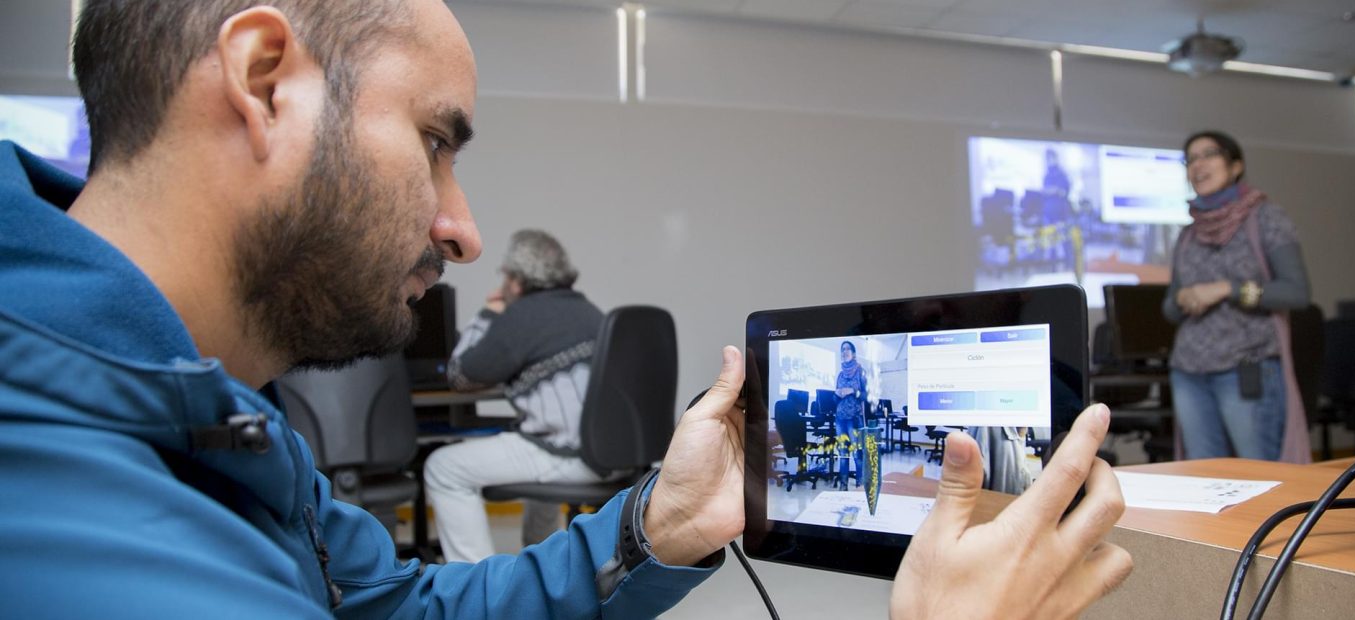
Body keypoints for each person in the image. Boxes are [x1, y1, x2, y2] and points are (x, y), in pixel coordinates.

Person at [0, 1, 1131, 617]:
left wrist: (653, 529)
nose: (461, 227)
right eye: (437, 142)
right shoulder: (60, 509)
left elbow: (399, 609)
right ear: (260, 81)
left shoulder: (215, 418)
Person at [426, 229, 606, 562]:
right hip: (610, 454)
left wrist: (488, 314)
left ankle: (477, 586)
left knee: (442, 468)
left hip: (567, 454)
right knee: (532, 446)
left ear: (517, 280)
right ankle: (543, 564)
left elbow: (461, 375)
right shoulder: (590, 312)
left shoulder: (521, 317)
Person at [1163, 130, 1312, 462]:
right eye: (1191, 159)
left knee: (1260, 475)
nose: (1198, 165)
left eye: (1209, 154)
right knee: (1204, 478)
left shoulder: (1266, 218)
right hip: (1189, 371)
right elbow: (1169, 309)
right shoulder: (1188, 233)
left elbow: (1297, 293)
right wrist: (1183, 298)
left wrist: (1227, 289)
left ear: (1235, 166)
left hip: (1248, 368)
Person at [833, 340, 867, 489]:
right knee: (842, 453)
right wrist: (837, 394)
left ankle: (860, 484)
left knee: (856, 453)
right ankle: (843, 485)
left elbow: (867, 395)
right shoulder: (840, 375)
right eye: (842, 349)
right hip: (840, 418)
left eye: (847, 349)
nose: (844, 351)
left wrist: (853, 391)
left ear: (853, 354)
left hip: (854, 418)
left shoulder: (860, 371)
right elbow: (835, 400)